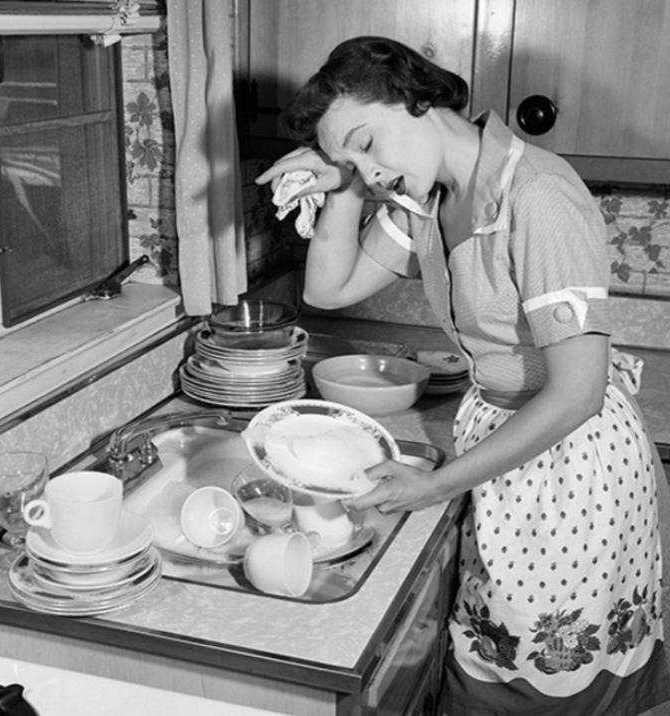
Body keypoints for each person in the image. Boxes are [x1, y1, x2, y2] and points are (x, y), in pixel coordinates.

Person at [255, 36, 670, 716]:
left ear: (415, 97)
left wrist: (434, 485)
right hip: (505, 450)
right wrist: (346, 183)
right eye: (352, 160)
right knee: (494, 655)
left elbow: (578, 393)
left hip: (571, 465)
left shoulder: (535, 194)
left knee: (543, 679)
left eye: (366, 142)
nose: (372, 171)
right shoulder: (431, 201)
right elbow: (328, 290)